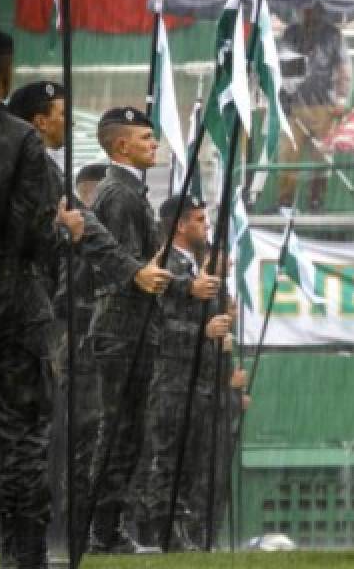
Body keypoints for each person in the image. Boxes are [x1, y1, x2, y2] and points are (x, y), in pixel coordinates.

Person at [5, 83, 151, 558]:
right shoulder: (31, 159)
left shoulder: (35, 161)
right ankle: (31, 547)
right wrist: (63, 231)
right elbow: (68, 231)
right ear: (38, 120)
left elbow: (84, 226)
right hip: (29, 310)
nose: (68, 124)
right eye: (61, 114)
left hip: (29, 307)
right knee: (33, 430)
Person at [85, 108, 221, 554]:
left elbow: (143, 268)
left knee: (127, 432)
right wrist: (185, 285)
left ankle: (108, 526)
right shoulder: (121, 195)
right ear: (120, 145)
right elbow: (132, 270)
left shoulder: (129, 192)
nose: (154, 145)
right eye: (145, 138)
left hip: (134, 327)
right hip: (124, 326)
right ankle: (103, 530)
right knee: (119, 432)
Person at [0, 32, 81, 569]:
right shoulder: (20, 140)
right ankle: (24, 553)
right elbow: (30, 236)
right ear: (4, 74)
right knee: (23, 436)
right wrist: (65, 229)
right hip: (12, 303)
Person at [137, 195, 234, 551]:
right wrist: (202, 333)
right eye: (198, 220)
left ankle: (181, 526)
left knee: (189, 456)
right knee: (168, 455)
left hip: (194, 378)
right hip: (171, 378)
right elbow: (157, 324)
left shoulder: (193, 266)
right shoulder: (164, 265)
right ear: (179, 225)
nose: (205, 227)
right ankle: (163, 528)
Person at [277, 2, 354, 207]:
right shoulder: (291, 33)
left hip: (324, 106)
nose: (309, 12)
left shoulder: (332, 35)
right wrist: (284, 96)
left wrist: (342, 98)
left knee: (322, 157)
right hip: (294, 107)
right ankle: (285, 202)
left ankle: (316, 200)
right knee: (288, 155)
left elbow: (344, 68)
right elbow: (284, 68)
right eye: (306, 8)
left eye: (314, 8)